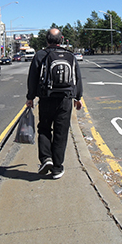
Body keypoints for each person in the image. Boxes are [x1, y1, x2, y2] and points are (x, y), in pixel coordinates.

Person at [26, 28, 83, 179]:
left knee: (44, 128)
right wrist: (78, 97)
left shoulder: (40, 55)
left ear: (47, 39)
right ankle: (57, 168)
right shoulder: (70, 56)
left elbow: (32, 78)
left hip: (46, 98)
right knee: (61, 133)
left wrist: (30, 97)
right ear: (62, 39)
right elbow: (77, 77)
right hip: (65, 99)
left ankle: (46, 158)